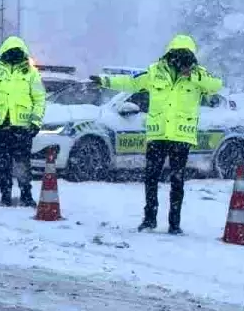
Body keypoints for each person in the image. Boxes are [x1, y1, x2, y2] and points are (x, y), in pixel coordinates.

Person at [92, 34, 222, 234]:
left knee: (177, 181)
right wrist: (104, 80)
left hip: (181, 136)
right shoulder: (155, 72)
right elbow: (130, 82)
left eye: (185, 56)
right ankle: (149, 219)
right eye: (176, 55)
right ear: (169, 54)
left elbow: (216, 86)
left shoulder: (199, 76)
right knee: (151, 178)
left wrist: (194, 74)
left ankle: (174, 223)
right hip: (158, 135)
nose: (180, 60)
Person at [0, 35, 47, 207]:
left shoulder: (31, 74)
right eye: (11, 52)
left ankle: (26, 195)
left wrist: (35, 124)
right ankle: (5, 195)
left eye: (17, 52)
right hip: (2, 126)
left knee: (22, 162)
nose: (14, 55)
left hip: (23, 128)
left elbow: (40, 99)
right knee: (4, 163)